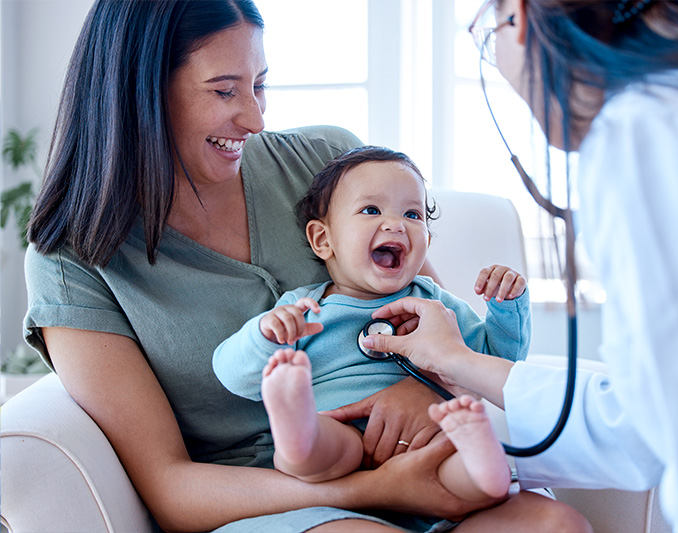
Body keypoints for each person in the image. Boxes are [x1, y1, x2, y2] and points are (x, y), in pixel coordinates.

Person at [21, 1, 592, 532]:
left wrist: (422, 393)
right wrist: (371, 490)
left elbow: (429, 322)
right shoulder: (71, 260)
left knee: (556, 525)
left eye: (260, 85)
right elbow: (170, 487)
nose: (254, 118)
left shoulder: (326, 162)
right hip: (274, 500)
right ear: (140, 94)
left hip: (417, 457)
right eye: (224, 92)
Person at [353, 0, 678, 532]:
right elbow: (658, 416)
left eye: (487, 32)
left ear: (518, 18)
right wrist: (455, 363)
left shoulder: (649, 136)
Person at [213, 146, 528, 502]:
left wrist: (506, 308)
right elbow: (233, 375)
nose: (396, 223)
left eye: (413, 213)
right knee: (314, 451)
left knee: (465, 474)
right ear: (323, 240)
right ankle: (297, 425)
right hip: (339, 429)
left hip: (429, 436)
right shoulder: (304, 309)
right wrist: (265, 336)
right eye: (371, 210)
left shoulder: (434, 303)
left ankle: (482, 459)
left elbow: (494, 362)